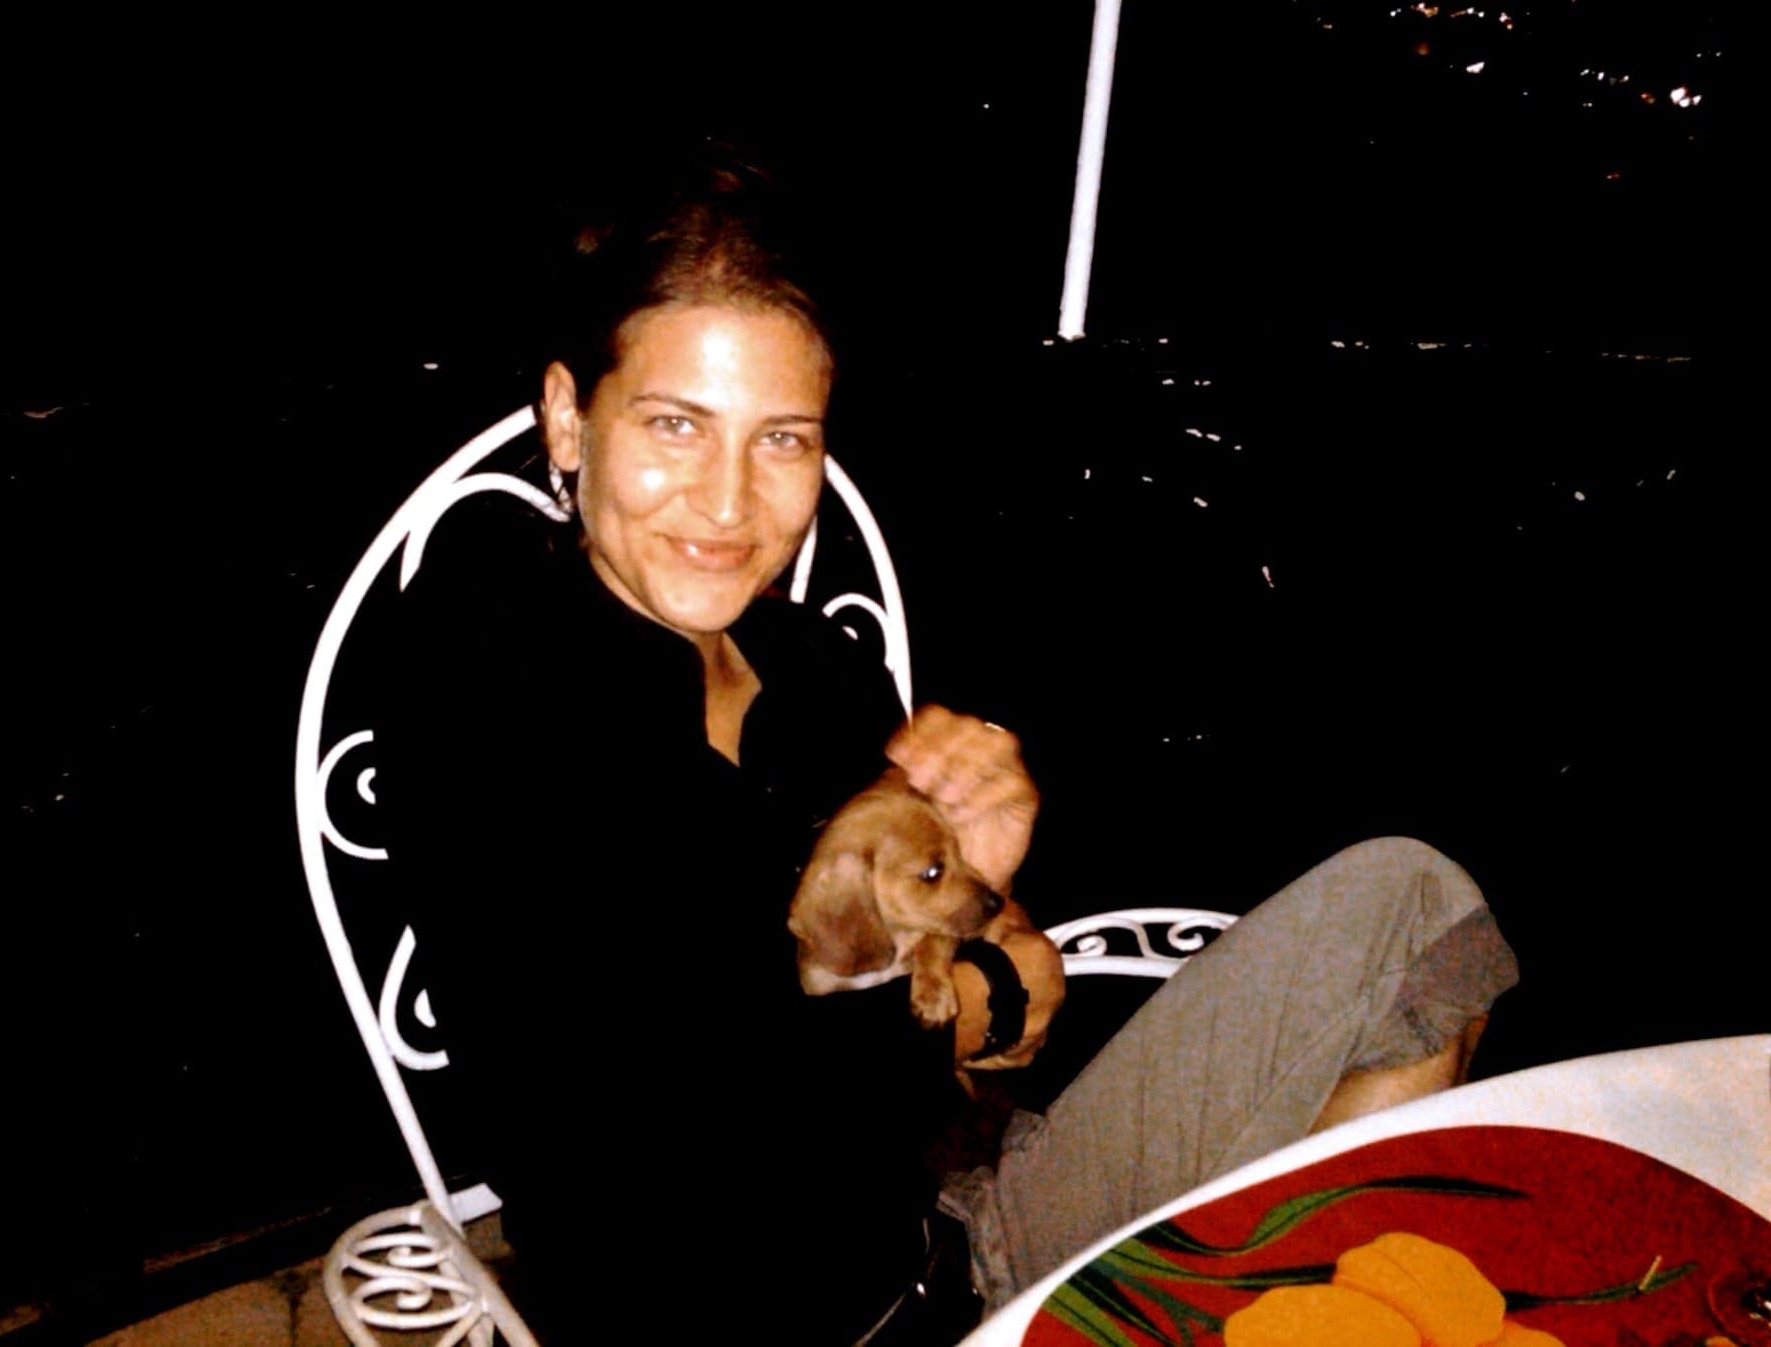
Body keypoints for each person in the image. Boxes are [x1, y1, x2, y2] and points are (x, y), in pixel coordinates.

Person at [376, 151, 1518, 1346]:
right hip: (731, 1314)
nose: (725, 506)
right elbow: (701, 1114)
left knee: (1407, 905)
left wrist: (981, 881)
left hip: (950, 1240)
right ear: (568, 414)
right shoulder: (484, 670)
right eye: (674, 426)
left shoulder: (816, 667)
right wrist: (976, 987)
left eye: (782, 441)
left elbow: (990, 985)